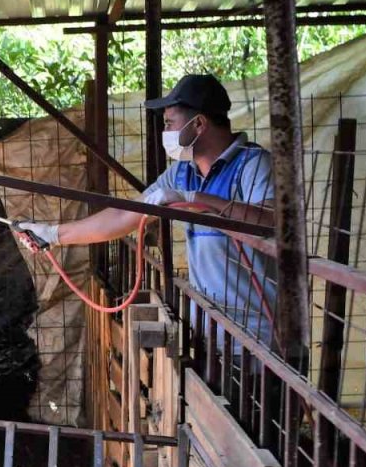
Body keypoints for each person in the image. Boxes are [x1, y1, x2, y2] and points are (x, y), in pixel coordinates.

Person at [15, 73, 278, 349]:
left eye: (169, 123)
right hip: (209, 333)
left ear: (199, 124)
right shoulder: (181, 174)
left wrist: (195, 199)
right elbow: (124, 215)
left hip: (257, 341)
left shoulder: (254, 165)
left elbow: (270, 222)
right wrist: (54, 235)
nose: (166, 132)